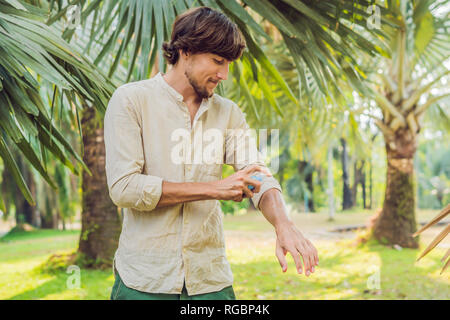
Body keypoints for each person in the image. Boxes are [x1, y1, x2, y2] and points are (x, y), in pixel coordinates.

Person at [104, 6, 318, 300]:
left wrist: (283, 224)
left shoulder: (228, 113)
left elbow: (256, 173)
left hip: (210, 282)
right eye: (218, 61)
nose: (224, 74)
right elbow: (124, 188)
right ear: (186, 51)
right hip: (144, 281)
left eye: (229, 63)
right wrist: (214, 189)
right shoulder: (131, 100)